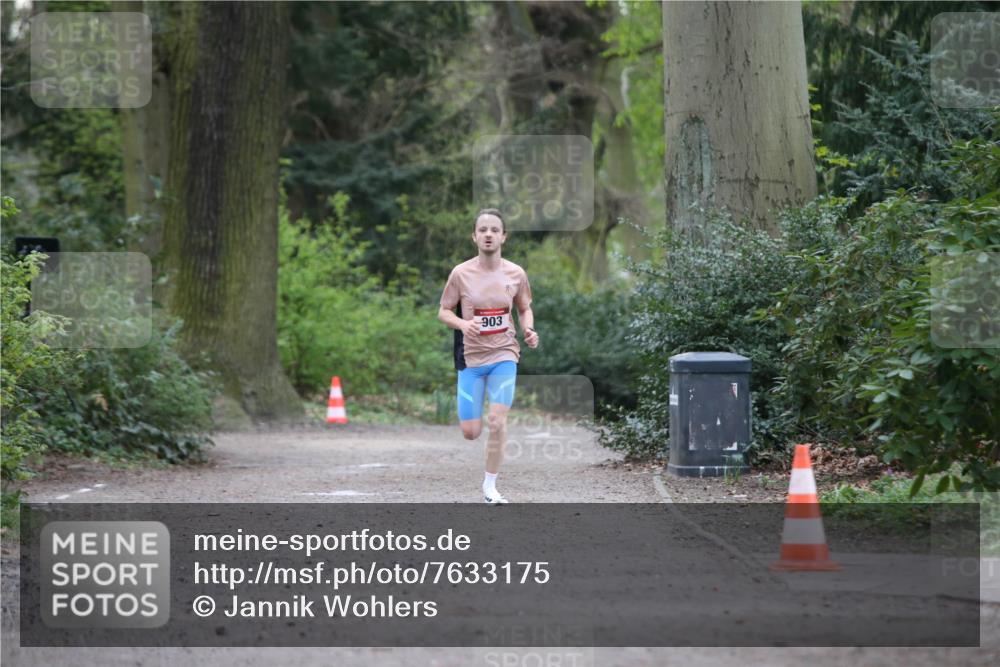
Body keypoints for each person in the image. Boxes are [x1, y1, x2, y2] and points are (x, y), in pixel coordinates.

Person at [438, 208, 539, 504]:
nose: (488, 234)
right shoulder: (460, 273)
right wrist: (463, 324)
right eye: (482, 230)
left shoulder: (516, 273)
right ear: (474, 237)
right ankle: (473, 423)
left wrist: (529, 329)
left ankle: (490, 486)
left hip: (504, 354)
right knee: (471, 432)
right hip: (470, 359)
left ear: (503, 236)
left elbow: (524, 308)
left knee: (497, 421)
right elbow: (443, 311)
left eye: (494, 230)